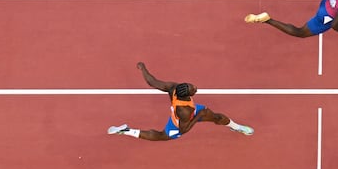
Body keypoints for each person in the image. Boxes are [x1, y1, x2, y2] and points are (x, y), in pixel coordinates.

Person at [107, 62, 253, 141]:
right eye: (193, 89)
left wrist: (143, 68)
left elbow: (152, 82)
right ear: (187, 94)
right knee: (160, 136)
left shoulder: (174, 88)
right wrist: (198, 116)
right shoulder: (184, 111)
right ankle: (125, 131)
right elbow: (184, 129)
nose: (195, 88)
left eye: (192, 86)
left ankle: (236, 126)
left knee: (217, 117)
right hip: (181, 121)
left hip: (193, 112)